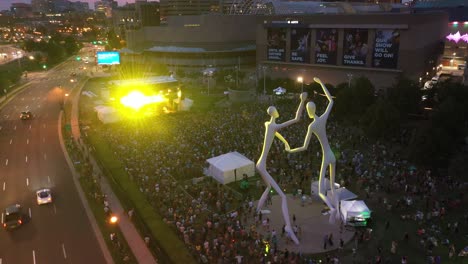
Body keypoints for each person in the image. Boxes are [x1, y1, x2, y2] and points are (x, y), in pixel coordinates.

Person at [283, 78, 339, 222]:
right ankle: (336, 210)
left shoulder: (312, 126)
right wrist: (321, 83)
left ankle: (332, 209)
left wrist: (290, 150)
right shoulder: (323, 118)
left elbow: (304, 147)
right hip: (332, 154)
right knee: (332, 187)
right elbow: (331, 101)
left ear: (308, 111)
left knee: (321, 192)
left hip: (326, 157)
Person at [256, 92, 307, 245]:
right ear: (274, 113)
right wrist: (302, 101)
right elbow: (296, 119)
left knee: (268, 187)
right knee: (283, 196)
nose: (278, 111)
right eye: (275, 110)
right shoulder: (273, 125)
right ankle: (289, 230)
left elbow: (275, 134)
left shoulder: (268, 124)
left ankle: (258, 210)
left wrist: (285, 142)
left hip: (260, 163)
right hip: (262, 165)